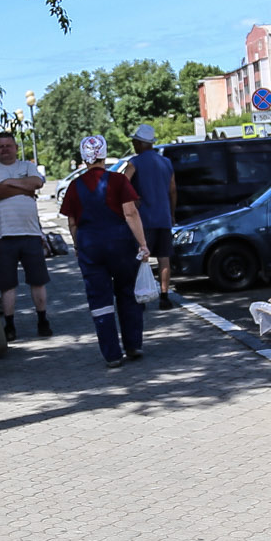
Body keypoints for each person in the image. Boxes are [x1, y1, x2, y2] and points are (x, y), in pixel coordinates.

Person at [59, 136, 153, 368]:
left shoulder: (75, 186)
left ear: (84, 157)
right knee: (127, 293)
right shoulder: (119, 180)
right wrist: (142, 243)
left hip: (91, 245)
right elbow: (130, 213)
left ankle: (112, 354)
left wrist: (78, 246)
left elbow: (72, 223)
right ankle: (133, 344)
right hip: (120, 243)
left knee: (99, 300)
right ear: (103, 154)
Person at [0, 131, 53, 341]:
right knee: (7, 284)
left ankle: (43, 320)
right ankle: (9, 325)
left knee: (38, 280)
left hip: (31, 232)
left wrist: (8, 183)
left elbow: (37, 183)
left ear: (15, 147)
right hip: (4, 235)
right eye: (0, 146)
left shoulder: (28, 166)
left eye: (8, 146)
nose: (4, 149)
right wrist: (23, 188)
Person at [120, 123, 179, 309]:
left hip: (143, 219)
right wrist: (172, 213)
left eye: (134, 141)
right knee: (164, 258)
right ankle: (164, 296)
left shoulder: (134, 162)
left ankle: (141, 296)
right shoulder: (166, 162)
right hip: (163, 218)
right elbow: (173, 190)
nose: (133, 144)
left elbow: (122, 182)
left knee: (141, 257)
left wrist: (133, 197)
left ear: (140, 143)